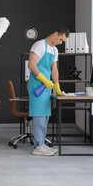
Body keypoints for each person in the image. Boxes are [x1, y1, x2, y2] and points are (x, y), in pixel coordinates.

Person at [28, 26, 68, 156]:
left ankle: (42, 143)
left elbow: (54, 70)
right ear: (56, 34)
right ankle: (38, 145)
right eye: (60, 39)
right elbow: (31, 64)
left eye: (63, 41)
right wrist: (43, 79)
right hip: (37, 85)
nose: (60, 42)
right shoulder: (39, 45)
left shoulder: (54, 50)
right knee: (39, 114)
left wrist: (57, 86)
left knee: (45, 114)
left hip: (47, 86)